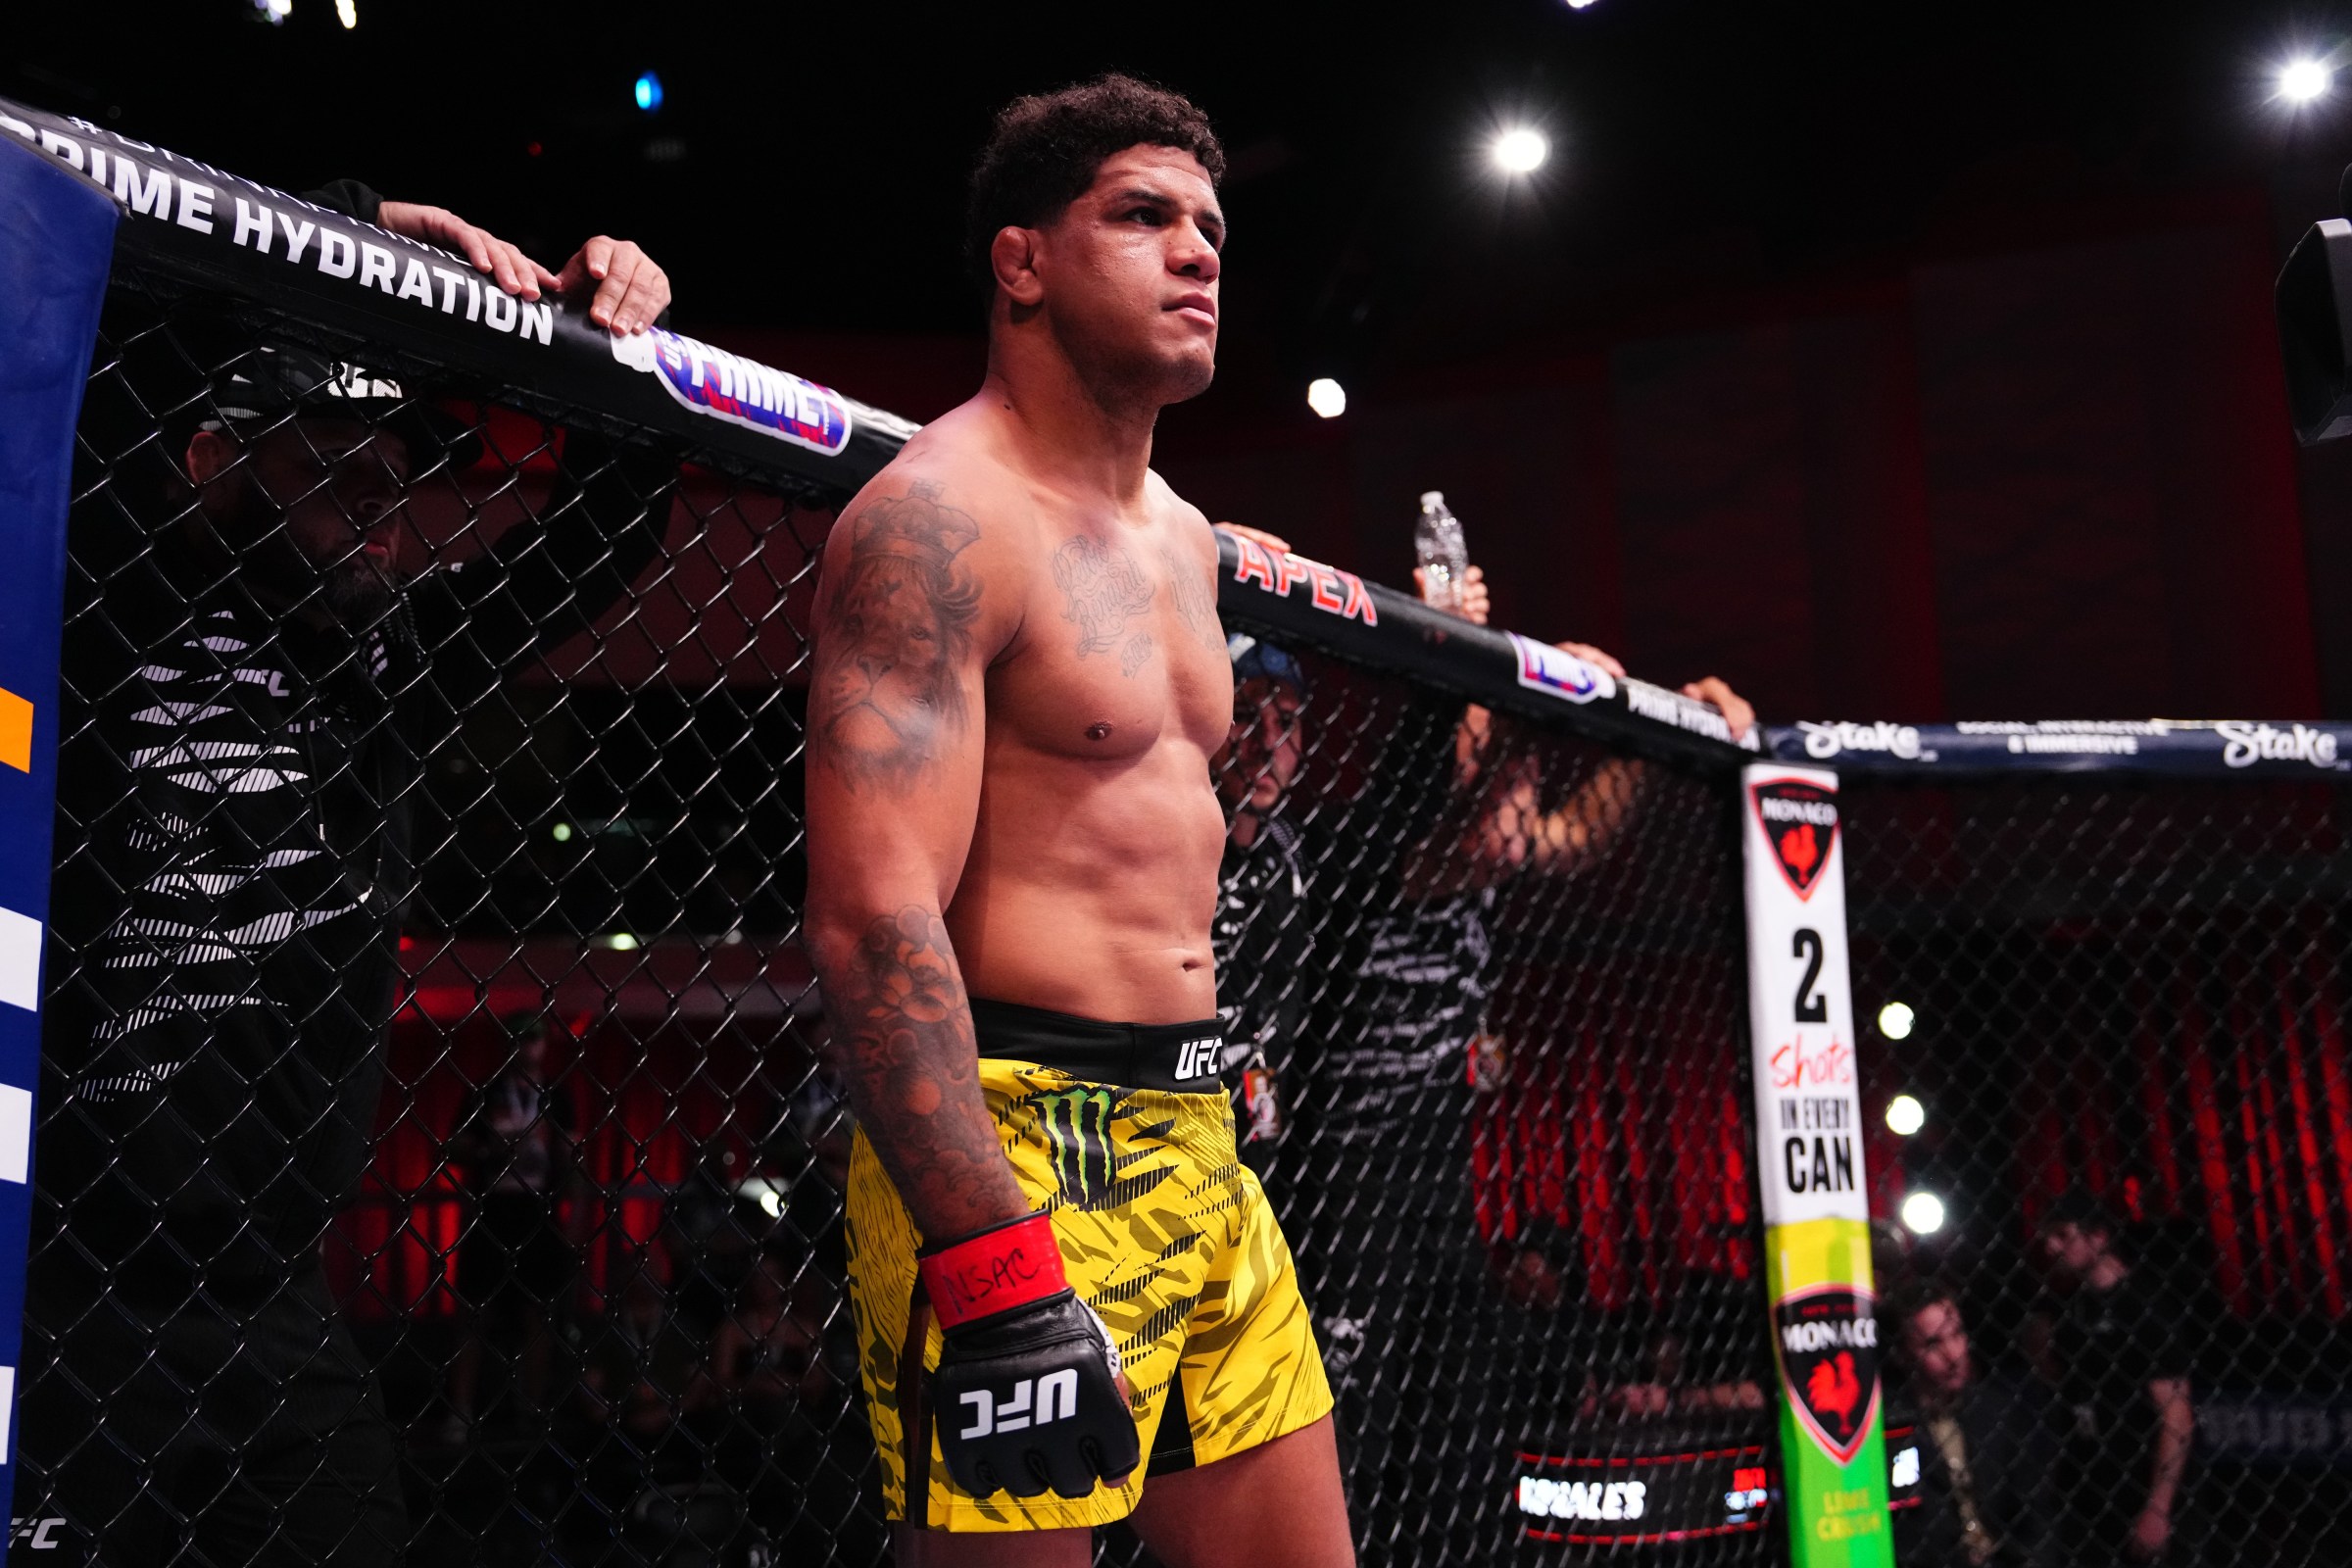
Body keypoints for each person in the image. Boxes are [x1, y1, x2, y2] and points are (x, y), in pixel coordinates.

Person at [24, 185, 677, 1566]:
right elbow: (110, 329)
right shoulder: (89, 603)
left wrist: (588, 331)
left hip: (279, 1303)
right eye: (336, 466)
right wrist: (346, 230)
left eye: (396, 464)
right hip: (72, 1296)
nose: (384, 495)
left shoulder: (385, 669)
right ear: (212, 461)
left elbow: (604, 533)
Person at [803, 75, 1351, 1566]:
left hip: (1202, 1138)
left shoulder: (1189, 542)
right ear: (1022, 260)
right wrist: (993, 1262)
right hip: (1020, 1144)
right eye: (1144, 216)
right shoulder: (938, 519)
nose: (1199, 253)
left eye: (1212, 229)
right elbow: (871, 919)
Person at [1209, 557, 1752, 1560]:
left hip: (1437, 1162)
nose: (1522, 787)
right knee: (1348, 1423)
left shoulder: (1487, 843)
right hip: (1342, 1169)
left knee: (1453, 1416)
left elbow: (1571, 838)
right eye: (1493, 751)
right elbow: (1465, 837)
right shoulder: (1348, 850)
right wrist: (1525, 700)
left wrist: (1662, 725)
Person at [2034, 1191, 2196, 1564]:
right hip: (2089, 1489)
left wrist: (2158, 1507)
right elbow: (2054, 1379)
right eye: (2047, 1236)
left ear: (2099, 1237)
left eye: (2062, 1234)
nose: (2051, 1246)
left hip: (2139, 1483)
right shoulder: (2068, 1308)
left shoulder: (2144, 1304)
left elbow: (2176, 1415)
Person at [443, 1015, 583, 1436]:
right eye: (519, 1040)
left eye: (533, 1040)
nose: (526, 1049)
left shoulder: (557, 1095)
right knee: (473, 1314)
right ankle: (461, 1410)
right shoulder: (485, 1092)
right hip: (491, 1212)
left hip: (536, 1213)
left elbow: (572, 1157)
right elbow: (453, 1145)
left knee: (535, 1314)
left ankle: (531, 1409)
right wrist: (491, 1148)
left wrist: (574, 1217)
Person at [1887, 1281, 2064, 1568]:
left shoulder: (1997, 1409)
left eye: (1957, 1334)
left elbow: (2035, 1511)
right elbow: (1909, 1535)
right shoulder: (1894, 1428)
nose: (1953, 1354)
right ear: (1902, 1355)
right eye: (1933, 1343)